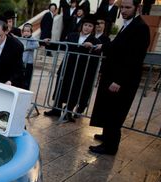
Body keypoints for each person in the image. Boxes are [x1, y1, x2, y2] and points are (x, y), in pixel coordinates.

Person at [89, 0, 150, 155]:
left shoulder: (140, 28)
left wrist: (119, 81)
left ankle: (110, 146)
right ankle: (106, 136)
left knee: (115, 112)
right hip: (112, 76)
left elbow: (134, 59)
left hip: (122, 80)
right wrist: (103, 47)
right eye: (122, 7)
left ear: (138, 8)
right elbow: (119, 47)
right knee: (108, 108)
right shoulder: (127, 25)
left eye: (128, 7)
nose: (123, 10)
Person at [44, 14, 101, 122]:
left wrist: (91, 48)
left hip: (81, 70)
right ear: (82, 25)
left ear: (93, 28)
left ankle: (68, 111)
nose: (87, 27)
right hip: (67, 66)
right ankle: (56, 109)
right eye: (85, 25)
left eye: (90, 26)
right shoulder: (72, 35)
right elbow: (62, 45)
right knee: (61, 86)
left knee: (75, 90)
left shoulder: (95, 41)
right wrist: (49, 43)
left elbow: (97, 55)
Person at [21, 23, 39, 90]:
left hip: (29, 63)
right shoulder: (21, 38)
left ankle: (26, 91)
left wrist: (27, 47)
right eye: (25, 31)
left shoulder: (32, 39)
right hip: (21, 62)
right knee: (21, 78)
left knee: (27, 80)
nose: (26, 33)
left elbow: (37, 45)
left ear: (31, 32)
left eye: (28, 31)